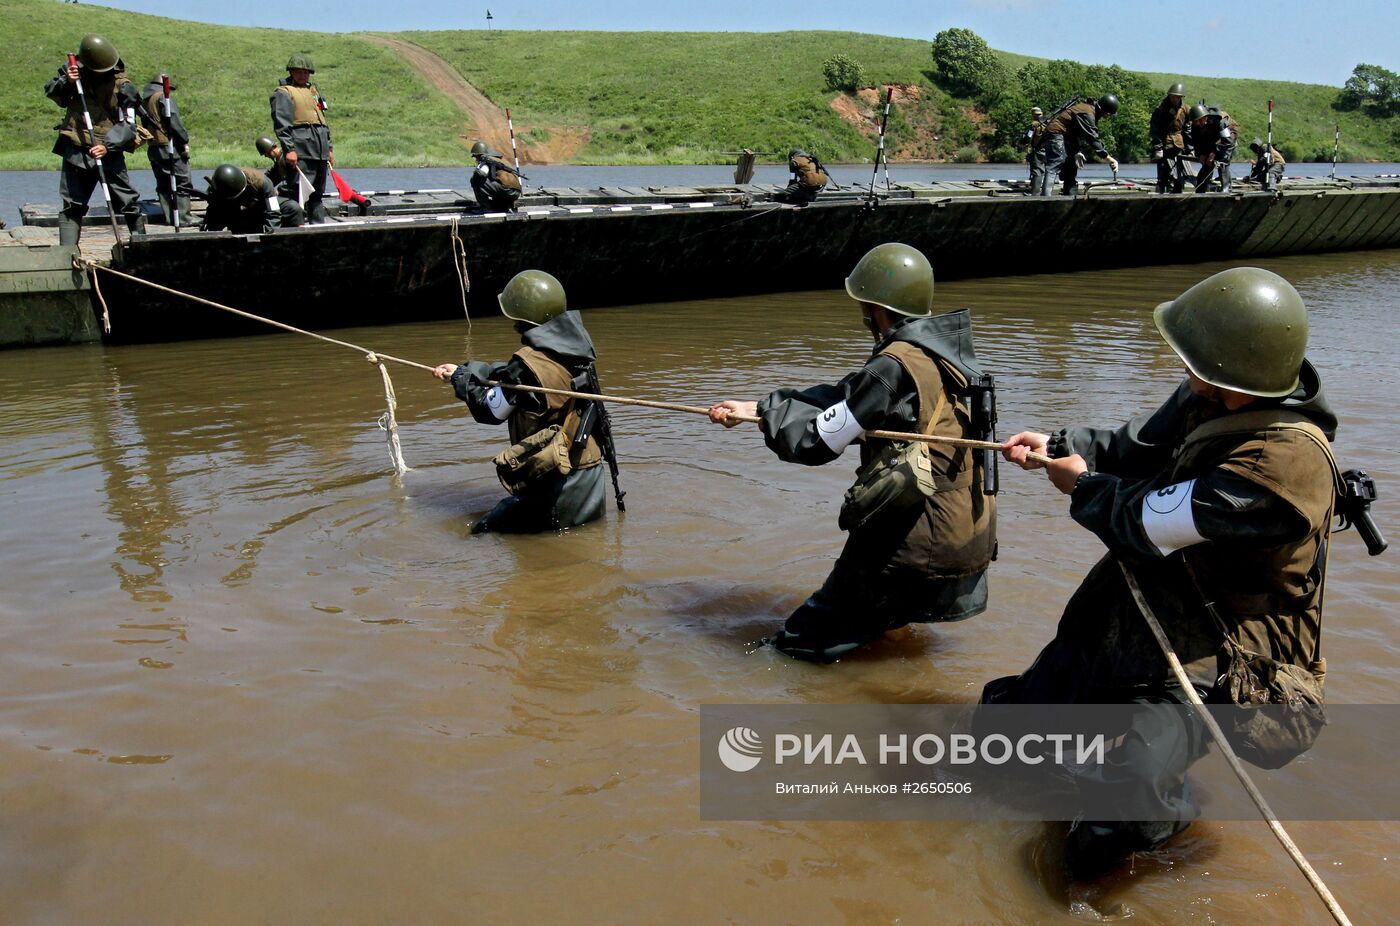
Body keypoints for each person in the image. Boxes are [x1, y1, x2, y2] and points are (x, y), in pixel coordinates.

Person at [987, 267, 1341, 878]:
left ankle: (1160, 825)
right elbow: (1136, 449)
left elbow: (1144, 522)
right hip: (1137, 604)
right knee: (1006, 739)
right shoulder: (1215, 392)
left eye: (1198, 365)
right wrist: (1060, 443)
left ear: (1239, 369)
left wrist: (1083, 486)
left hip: (1215, 646)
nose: (1187, 376)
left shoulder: (1281, 470)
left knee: (1121, 805)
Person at [708, 243, 998, 662]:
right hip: (964, 527)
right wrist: (759, 408)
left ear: (876, 307)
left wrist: (771, 420)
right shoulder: (943, 352)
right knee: (880, 630)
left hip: (913, 540)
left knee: (793, 648)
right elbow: (849, 399)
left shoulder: (893, 364)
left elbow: (816, 442)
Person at [433, 270, 613, 534]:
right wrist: (470, 371)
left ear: (522, 318)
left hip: (556, 485)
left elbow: (491, 410)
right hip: (589, 474)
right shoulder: (575, 350)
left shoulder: (529, 363)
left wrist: (461, 380)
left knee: (480, 532)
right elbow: (514, 377)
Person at [44, 34, 146, 246]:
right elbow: (54, 94)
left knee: (128, 203)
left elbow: (129, 124)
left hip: (110, 152)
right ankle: (68, 256)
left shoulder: (124, 87)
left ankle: (141, 247)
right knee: (72, 206)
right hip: (76, 150)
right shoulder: (73, 75)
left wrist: (107, 146)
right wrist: (68, 82)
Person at [270, 53, 332, 223]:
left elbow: (323, 122)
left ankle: (318, 226)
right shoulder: (283, 93)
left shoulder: (313, 92)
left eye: (306, 73)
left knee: (317, 194)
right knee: (296, 191)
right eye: (298, 72)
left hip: (319, 151)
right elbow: (282, 124)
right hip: (301, 150)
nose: (302, 76)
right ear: (291, 72)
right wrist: (289, 149)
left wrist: (329, 148)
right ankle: (293, 226)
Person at [138, 73, 193, 228]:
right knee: (182, 181)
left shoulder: (144, 100)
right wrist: (184, 140)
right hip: (169, 146)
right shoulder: (163, 97)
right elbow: (173, 121)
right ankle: (183, 218)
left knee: (163, 183)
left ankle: (170, 216)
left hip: (153, 147)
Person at [1041, 94, 1120, 196]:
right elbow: (1092, 139)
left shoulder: (1092, 112)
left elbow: (1076, 133)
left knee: (1071, 166)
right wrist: (1109, 159)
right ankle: (1045, 199)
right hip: (1056, 133)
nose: (1109, 116)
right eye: (1109, 114)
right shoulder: (1088, 113)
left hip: (1067, 137)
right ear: (1106, 111)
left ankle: (1069, 198)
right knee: (1056, 163)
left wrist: (1077, 151)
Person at [200, 163, 304, 233]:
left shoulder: (262, 181)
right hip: (235, 213)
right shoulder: (217, 185)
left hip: (259, 207)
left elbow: (273, 210)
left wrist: (271, 232)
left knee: (292, 208)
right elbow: (213, 210)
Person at [1149, 82, 1191, 194]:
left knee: (1179, 168)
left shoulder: (1185, 109)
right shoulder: (1161, 109)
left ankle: (1177, 187)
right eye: (1173, 96)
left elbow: (1188, 128)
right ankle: (1163, 187)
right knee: (1164, 168)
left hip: (1179, 142)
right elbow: (1154, 128)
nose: (1175, 99)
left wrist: (1190, 147)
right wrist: (1158, 145)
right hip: (1164, 141)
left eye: (1178, 97)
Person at [1188, 103, 1237, 193]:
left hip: (1227, 139)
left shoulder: (1220, 122)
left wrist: (1215, 152)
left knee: (1223, 160)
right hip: (1211, 140)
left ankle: (1226, 189)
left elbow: (1228, 142)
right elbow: (1196, 142)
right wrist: (1200, 154)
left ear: (1205, 117)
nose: (1197, 123)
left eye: (1200, 120)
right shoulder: (1195, 126)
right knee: (1207, 163)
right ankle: (1200, 190)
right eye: (1195, 121)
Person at [468, 140, 522, 213]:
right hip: (517, 192)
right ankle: (507, 206)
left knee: (475, 181)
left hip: (506, 190)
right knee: (496, 182)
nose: (476, 159)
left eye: (476, 156)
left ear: (479, 154)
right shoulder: (500, 159)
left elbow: (482, 173)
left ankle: (485, 208)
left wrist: (476, 172)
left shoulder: (485, 160)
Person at [1023, 106, 1047, 195]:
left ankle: (1035, 193)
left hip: (1038, 150)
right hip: (1048, 151)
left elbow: (1027, 137)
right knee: (1043, 170)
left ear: (1033, 115)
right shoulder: (1048, 123)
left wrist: (1022, 142)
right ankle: (1040, 190)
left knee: (1037, 171)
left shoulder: (1034, 125)